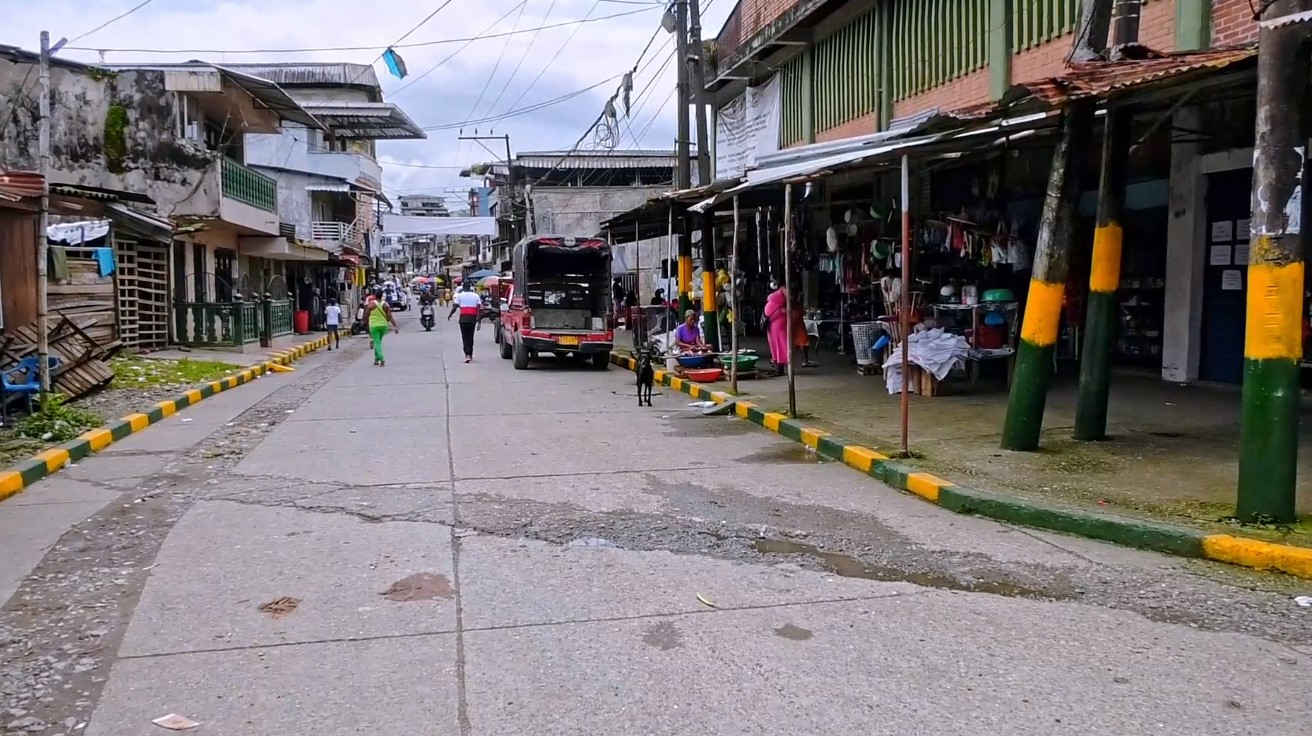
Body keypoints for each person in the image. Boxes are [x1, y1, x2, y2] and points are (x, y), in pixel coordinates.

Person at [364, 288, 398, 367]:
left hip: (373, 325)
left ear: (375, 295)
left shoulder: (371, 304)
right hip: (383, 325)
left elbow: (366, 315)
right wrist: (395, 326)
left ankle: (381, 358)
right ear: (382, 296)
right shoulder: (385, 304)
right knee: (378, 341)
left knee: (377, 342)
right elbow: (389, 316)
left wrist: (364, 322)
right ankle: (376, 359)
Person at [449, 283, 482, 363]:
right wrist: (479, 322)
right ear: (470, 287)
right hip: (472, 319)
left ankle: (467, 354)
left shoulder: (459, 296)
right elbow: (479, 310)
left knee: (464, 337)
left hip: (463, 319)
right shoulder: (476, 296)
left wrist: (450, 315)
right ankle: (470, 354)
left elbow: (455, 307)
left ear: (463, 288)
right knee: (471, 337)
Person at [763, 284, 790, 377]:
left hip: (778, 321)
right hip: (772, 321)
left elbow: (790, 301)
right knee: (774, 343)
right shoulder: (780, 291)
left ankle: (780, 366)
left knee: (779, 343)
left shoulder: (784, 290)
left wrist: (784, 310)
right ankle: (776, 365)